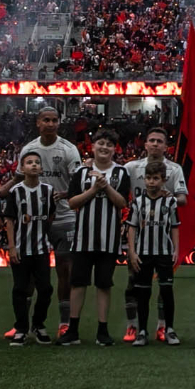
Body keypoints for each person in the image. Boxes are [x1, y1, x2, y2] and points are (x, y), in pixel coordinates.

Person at [1, 107, 81, 340]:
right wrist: (4, 190)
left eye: (54, 120)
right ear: (38, 123)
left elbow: (77, 182)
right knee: (31, 277)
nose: (50, 123)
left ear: (59, 123)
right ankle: (23, 324)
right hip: (33, 223)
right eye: (46, 120)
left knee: (65, 270)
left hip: (64, 216)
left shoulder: (68, 149)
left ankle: (64, 323)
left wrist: (64, 194)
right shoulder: (30, 149)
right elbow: (18, 176)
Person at [56, 129, 131, 347]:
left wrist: (105, 186)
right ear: (93, 146)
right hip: (82, 238)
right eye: (101, 143)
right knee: (78, 284)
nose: (104, 147)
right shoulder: (81, 173)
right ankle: (73, 330)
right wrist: (93, 190)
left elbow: (122, 203)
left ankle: (102, 331)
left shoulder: (120, 173)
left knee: (103, 285)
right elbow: (72, 202)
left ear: (114, 149)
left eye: (109, 144)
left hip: (108, 241)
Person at [121, 127, 188, 343]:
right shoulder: (131, 167)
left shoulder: (174, 169)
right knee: (135, 285)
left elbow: (183, 199)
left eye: (160, 141)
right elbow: (120, 189)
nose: (156, 144)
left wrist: (167, 198)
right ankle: (134, 327)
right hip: (140, 239)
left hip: (163, 240)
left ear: (166, 146)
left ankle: (163, 327)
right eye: (152, 140)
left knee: (165, 287)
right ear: (145, 144)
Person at [125, 161, 181, 347]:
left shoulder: (170, 201)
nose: (151, 182)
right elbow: (132, 228)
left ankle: (170, 329)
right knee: (143, 292)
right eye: (148, 178)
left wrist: (176, 249)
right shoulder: (138, 202)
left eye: (156, 178)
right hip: (143, 253)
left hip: (164, 252)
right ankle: (142, 331)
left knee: (166, 290)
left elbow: (174, 226)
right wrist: (132, 252)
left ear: (163, 180)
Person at [4, 152, 51, 347]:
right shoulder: (15, 191)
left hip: (41, 250)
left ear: (41, 168)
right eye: (29, 162)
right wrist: (12, 247)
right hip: (21, 250)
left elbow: (51, 217)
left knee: (46, 289)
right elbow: (9, 221)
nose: (33, 165)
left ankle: (38, 325)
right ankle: (21, 328)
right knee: (20, 289)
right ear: (22, 168)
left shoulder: (48, 190)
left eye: (37, 163)